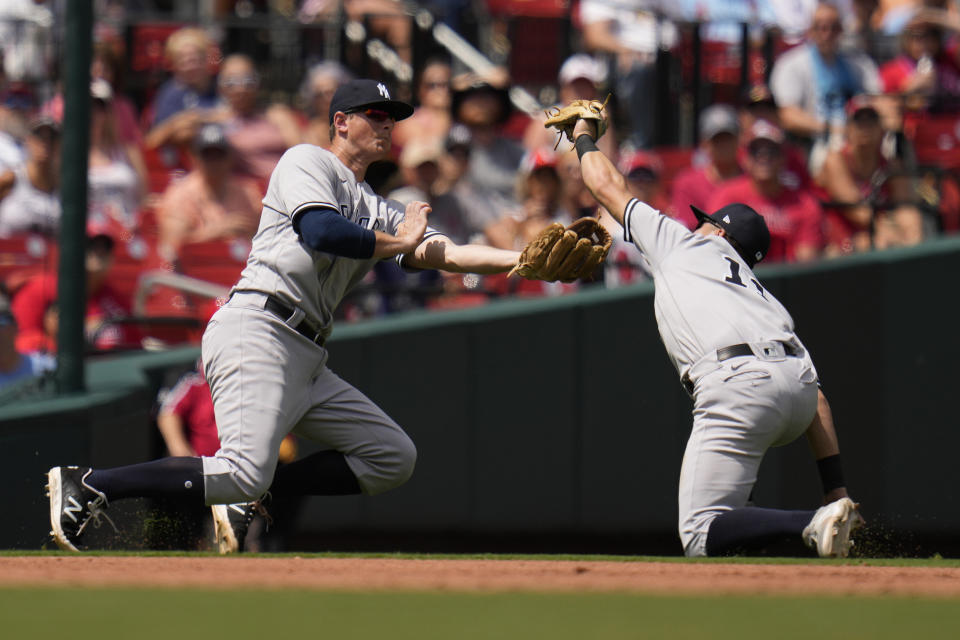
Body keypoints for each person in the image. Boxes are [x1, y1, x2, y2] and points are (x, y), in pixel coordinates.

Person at [46, 79, 522, 554]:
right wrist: (400, 243)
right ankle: (91, 484)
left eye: (391, 116)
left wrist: (523, 260)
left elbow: (448, 253)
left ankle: (253, 499)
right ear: (341, 121)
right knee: (238, 472)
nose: (387, 124)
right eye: (375, 114)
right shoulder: (306, 161)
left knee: (391, 457)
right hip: (259, 327)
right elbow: (321, 230)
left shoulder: (378, 207)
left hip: (306, 352)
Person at [564, 111, 864, 558]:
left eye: (705, 220)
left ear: (719, 230)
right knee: (731, 522)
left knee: (701, 533)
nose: (697, 223)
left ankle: (811, 523)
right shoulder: (761, 293)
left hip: (738, 383)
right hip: (798, 387)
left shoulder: (683, 243)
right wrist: (835, 488)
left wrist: (584, 138)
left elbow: (606, 187)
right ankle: (823, 516)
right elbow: (818, 400)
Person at [770, 2, 881, 172]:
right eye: (821, 28)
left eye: (833, 28)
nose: (827, 34)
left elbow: (878, 100)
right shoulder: (790, 64)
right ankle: (859, 198)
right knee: (834, 156)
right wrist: (833, 129)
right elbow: (788, 116)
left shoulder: (860, 64)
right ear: (810, 31)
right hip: (820, 140)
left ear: (841, 30)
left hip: (860, 137)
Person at [815, 95, 925, 254]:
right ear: (848, 128)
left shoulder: (891, 165)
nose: (865, 127)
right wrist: (891, 232)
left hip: (878, 228)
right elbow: (857, 211)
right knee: (878, 242)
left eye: (871, 121)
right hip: (839, 233)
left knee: (912, 221)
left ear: (881, 128)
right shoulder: (835, 161)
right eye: (859, 121)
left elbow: (904, 205)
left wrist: (908, 232)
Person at [707, 120, 825, 263]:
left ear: (783, 158)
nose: (764, 157)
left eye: (772, 151)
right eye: (756, 151)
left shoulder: (805, 204)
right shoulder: (726, 196)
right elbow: (714, 248)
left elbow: (806, 262)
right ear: (745, 158)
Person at [155, 122, 262, 263]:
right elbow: (169, 249)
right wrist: (215, 233)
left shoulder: (247, 193)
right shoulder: (179, 195)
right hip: (195, 273)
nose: (214, 162)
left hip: (242, 269)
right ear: (194, 157)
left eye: (219, 154)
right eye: (207, 155)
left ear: (230, 157)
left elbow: (265, 236)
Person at [209, 54, 302, 184]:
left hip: (286, 184)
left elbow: (302, 153)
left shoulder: (278, 115)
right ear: (220, 87)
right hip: (246, 192)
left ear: (258, 83)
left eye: (248, 80)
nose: (241, 88)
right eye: (231, 82)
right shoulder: (215, 120)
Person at [671, 104, 742, 230]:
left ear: (738, 140)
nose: (723, 145)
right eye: (717, 140)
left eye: (728, 139)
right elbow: (688, 230)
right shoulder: (688, 184)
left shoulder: (752, 181)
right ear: (705, 143)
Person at [0, 115, 60, 237]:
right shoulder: (12, 179)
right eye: (39, 137)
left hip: (49, 254)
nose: (45, 143)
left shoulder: (61, 187)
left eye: (51, 138)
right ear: (29, 141)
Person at [392, 58, 453, 152]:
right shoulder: (407, 124)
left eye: (446, 84)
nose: (441, 90)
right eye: (433, 85)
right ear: (420, 89)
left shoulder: (461, 122)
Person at [300, 61, 352, 149]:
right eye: (319, 95)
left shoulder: (353, 126)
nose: (325, 99)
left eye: (330, 92)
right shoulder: (306, 130)